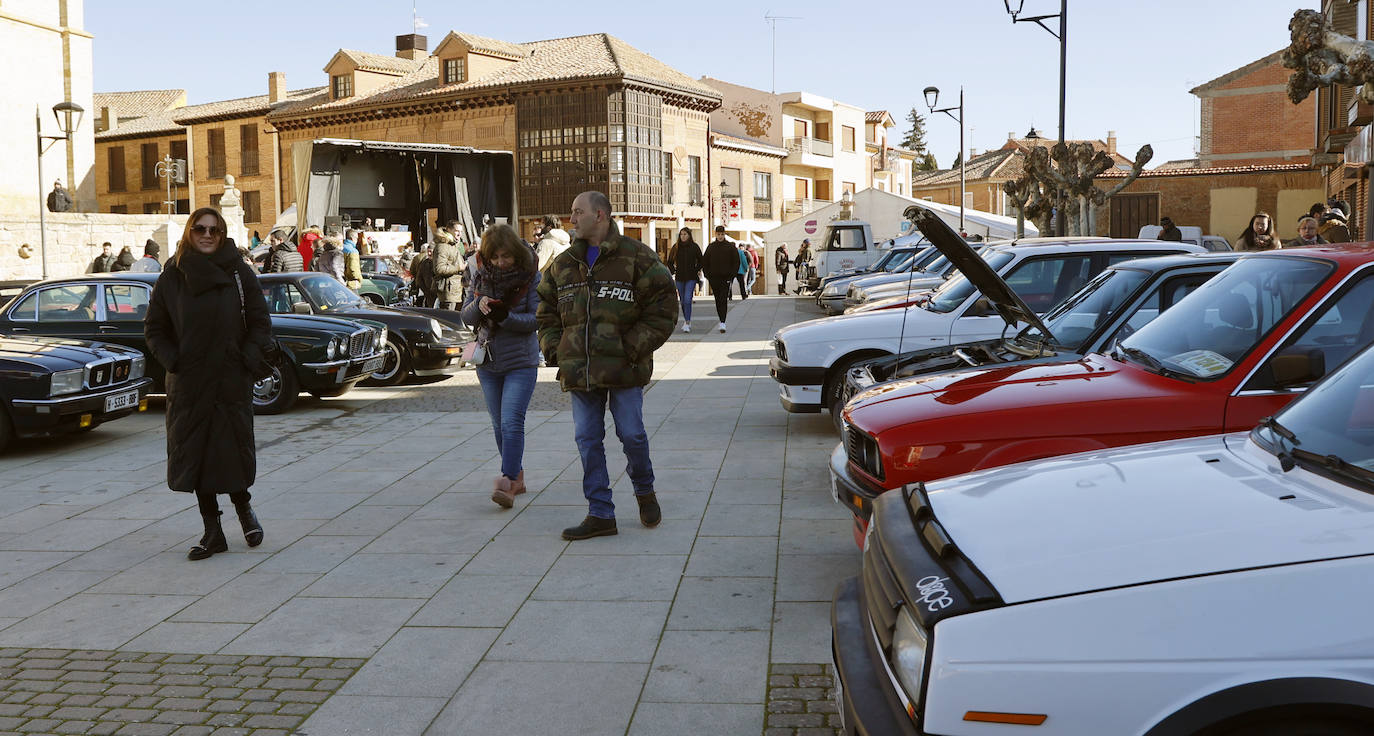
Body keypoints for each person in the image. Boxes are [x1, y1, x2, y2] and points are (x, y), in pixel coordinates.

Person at [536, 190, 677, 541]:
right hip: (580, 370)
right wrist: (555, 348)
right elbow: (545, 310)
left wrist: (632, 347)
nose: (570, 219)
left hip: (624, 368)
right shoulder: (564, 264)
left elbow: (664, 307)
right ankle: (600, 512)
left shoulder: (636, 257)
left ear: (599, 215)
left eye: (577, 212)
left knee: (632, 434)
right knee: (587, 438)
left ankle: (644, 491)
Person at [143, 207, 271, 561]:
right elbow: (154, 329)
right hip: (190, 382)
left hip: (230, 378)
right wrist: (174, 361)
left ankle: (244, 508)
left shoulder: (239, 272)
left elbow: (260, 322)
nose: (207, 235)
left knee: (230, 450)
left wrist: (245, 359)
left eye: (214, 230)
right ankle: (212, 532)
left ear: (222, 233)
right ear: (189, 231)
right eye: (200, 228)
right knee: (198, 455)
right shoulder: (172, 276)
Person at [461, 225, 541, 509]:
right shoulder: (481, 275)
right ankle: (517, 476)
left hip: (521, 360)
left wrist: (506, 316)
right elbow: (466, 316)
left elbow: (536, 320)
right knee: (498, 425)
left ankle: (507, 482)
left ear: (515, 253)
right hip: (488, 360)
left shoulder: (531, 276)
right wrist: (480, 303)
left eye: (505, 256)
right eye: (494, 257)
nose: (500, 263)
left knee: (511, 422)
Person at [701, 225, 739, 332]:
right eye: (718, 234)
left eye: (722, 234)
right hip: (714, 278)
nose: (720, 236)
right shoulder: (711, 247)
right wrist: (707, 275)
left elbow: (736, 262)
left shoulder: (730, 246)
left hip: (726, 278)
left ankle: (723, 322)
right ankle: (721, 320)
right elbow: (705, 262)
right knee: (718, 300)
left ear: (724, 234)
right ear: (715, 234)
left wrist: (732, 275)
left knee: (723, 299)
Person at [667, 227, 702, 332]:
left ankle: (687, 322)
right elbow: (669, 261)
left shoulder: (694, 247)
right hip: (680, 277)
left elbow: (701, 260)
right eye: (681, 234)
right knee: (682, 301)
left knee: (687, 299)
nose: (683, 236)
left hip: (691, 277)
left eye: (685, 234)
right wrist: (674, 271)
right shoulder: (676, 247)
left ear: (689, 235)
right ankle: (687, 319)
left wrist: (696, 269)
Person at [432, 230, 464, 310]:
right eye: (456, 230)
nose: (459, 234)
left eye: (461, 231)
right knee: (448, 318)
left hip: (454, 289)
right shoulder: (443, 246)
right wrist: (458, 268)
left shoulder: (452, 246)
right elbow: (439, 268)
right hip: (448, 290)